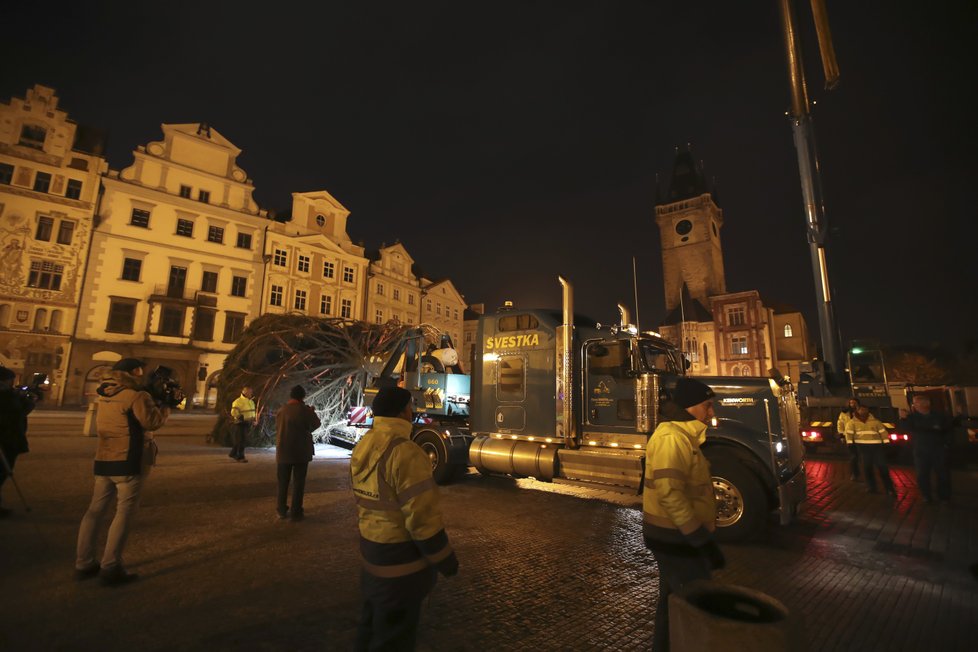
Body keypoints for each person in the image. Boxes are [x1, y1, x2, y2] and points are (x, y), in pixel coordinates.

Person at [351, 386, 459, 651]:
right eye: (410, 407)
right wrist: (446, 560)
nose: (412, 412)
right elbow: (422, 519)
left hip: (371, 552)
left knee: (370, 626)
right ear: (402, 412)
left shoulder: (364, 445)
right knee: (394, 638)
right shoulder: (406, 453)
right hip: (400, 563)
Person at [643, 377, 725, 652]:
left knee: (672, 601)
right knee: (692, 606)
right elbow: (670, 493)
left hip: (677, 538)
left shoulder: (683, 437)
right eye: (707, 405)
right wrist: (699, 537)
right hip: (674, 539)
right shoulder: (672, 439)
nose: (711, 412)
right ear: (690, 407)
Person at [75, 358, 169, 586]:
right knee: (124, 512)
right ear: (129, 374)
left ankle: (84, 562)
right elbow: (152, 422)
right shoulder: (136, 395)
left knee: (95, 510)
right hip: (128, 459)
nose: (141, 376)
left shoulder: (105, 393)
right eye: (138, 372)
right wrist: (166, 406)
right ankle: (110, 566)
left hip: (104, 457)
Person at [275, 385, 321, 521]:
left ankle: (281, 510)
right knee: (299, 483)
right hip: (301, 452)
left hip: (283, 451)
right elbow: (316, 424)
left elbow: (278, 427)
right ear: (303, 396)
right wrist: (311, 414)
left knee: (283, 482)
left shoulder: (281, 410)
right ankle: (296, 512)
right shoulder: (305, 410)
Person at [899, 395, 953, 504]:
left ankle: (944, 497)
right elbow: (905, 428)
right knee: (922, 475)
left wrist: (947, 444)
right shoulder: (912, 417)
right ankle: (926, 496)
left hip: (938, 450)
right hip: (921, 451)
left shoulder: (939, 416)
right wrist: (903, 418)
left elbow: (948, 431)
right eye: (913, 403)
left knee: (943, 474)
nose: (913, 405)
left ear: (925, 404)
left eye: (915, 403)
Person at [0, 367, 36, 518]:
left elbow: (21, 411)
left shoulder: (9, 395)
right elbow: (15, 414)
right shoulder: (5, 397)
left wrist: (26, 400)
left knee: (2, 473)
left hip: (10, 440)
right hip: (6, 440)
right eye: (10, 380)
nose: (11, 383)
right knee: (1, 472)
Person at [844, 405, 896, 496]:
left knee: (882, 467)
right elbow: (849, 434)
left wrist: (886, 443)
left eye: (865, 409)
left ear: (868, 411)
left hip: (876, 447)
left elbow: (883, 433)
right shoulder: (852, 423)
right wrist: (850, 444)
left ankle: (889, 488)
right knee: (867, 468)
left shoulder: (876, 422)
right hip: (862, 448)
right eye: (861, 409)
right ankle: (872, 487)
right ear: (857, 410)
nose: (863, 411)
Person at [229, 386, 256, 462]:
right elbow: (233, 412)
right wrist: (240, 418)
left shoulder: (251, 401)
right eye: (250, 392)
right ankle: (240, 457)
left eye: (251, 392)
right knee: (241, 441)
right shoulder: (238, 401)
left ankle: (233, 453)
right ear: (245, 392)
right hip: (240, 424)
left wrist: (253, 420)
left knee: (240, 440)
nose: (251, 393)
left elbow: (252, 412)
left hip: (248, 423)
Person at [837, 398, 862, 481]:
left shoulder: (862, 412)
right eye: (851, 403)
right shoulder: (844, 413)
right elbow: (840, 424)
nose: (853, 404)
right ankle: (855, 474)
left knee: (860, 456)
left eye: (854, 403)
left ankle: (859, 473)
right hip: (849, 438)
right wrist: (841, 436)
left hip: (861, 437)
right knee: (854, 456)